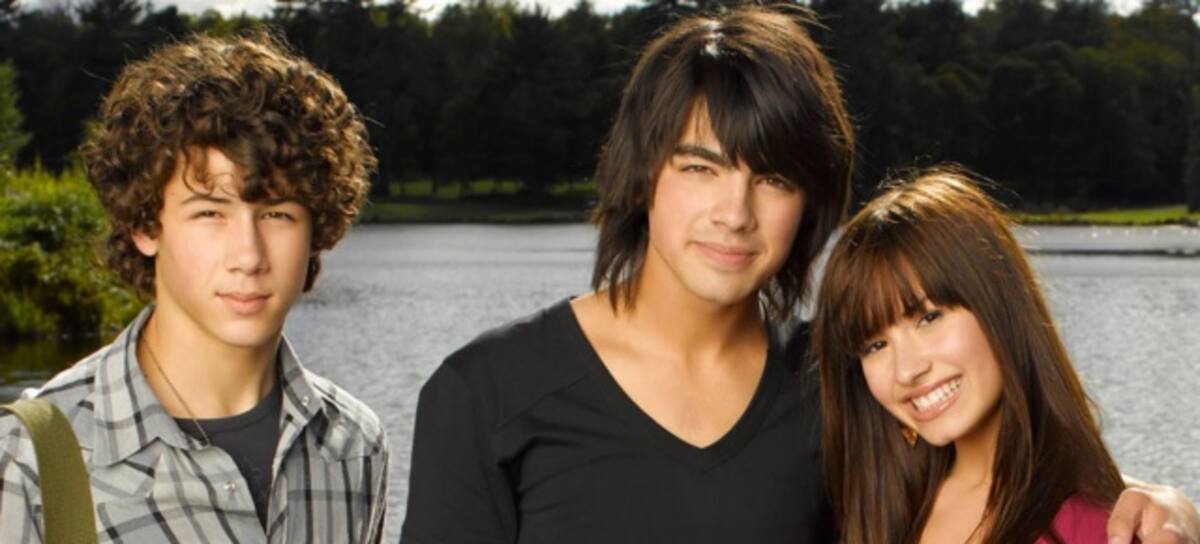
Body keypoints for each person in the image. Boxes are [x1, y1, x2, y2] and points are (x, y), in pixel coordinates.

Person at [400, 5, 1199, 544]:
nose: (735, 213)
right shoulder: (484, 396)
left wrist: (1152, 502)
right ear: (644, 177)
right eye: (701, 168)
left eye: (774, 178)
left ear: (811, 202)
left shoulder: (842, 381)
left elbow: (1000, 477)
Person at [0, 34, 388, 543]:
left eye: (277, 214)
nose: (248, 256)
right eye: (210, 213)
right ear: (145, 226)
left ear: (317, 232)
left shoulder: (354, 444)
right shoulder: (30, 459)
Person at [811, 166, 1182, 543]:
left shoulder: (1097, 527)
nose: (906, 370)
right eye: (875, 345)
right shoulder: (880, 508)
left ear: (998, 305)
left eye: (929, 317)